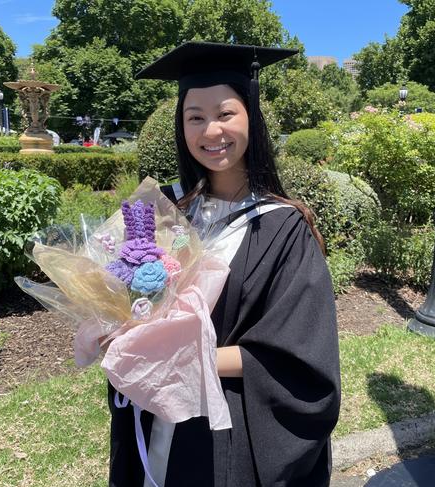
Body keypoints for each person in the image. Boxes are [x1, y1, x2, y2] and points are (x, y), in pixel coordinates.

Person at [105, 42, 341, 487]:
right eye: (195, 116)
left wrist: (185, 357)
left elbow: (298, 361)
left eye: (225, 113)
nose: (211, 131)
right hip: (153, 413)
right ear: (181, 125)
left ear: (251, 116)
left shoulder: (283, 226)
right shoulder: (162, 209)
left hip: (224, 430)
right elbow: (116, 295)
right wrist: (111, 327)